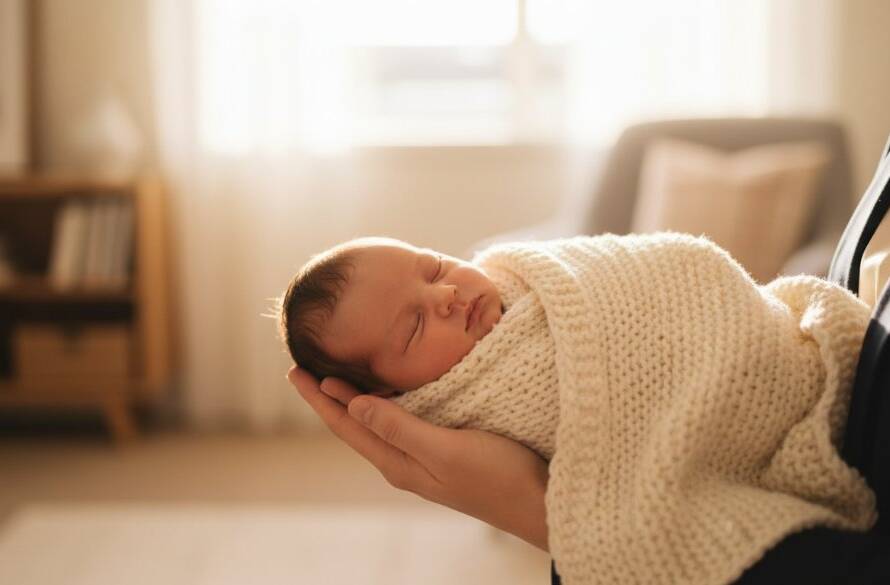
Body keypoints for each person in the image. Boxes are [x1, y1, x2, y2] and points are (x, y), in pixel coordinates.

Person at [279, 233, 876, 584]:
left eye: (432, 268)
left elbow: (664, 269)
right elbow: (609, 459)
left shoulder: (524, 274)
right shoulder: (468, 405)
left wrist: (529, 509)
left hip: (766, 340)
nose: (446, 296)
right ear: (386, 395)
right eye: (412, 327)